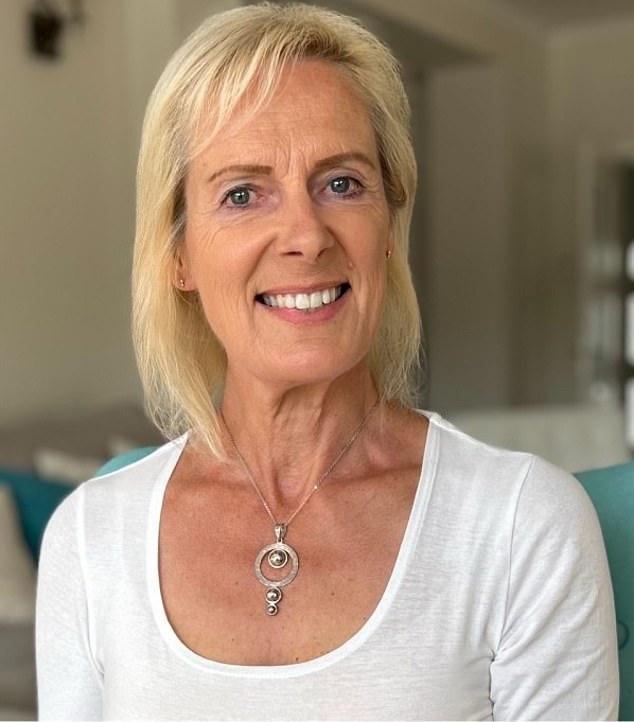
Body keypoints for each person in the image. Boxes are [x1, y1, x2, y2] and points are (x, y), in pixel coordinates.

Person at [36, 3, 618, 719]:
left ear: (388, 226)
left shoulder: (522, 524)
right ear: (178, 254)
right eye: (243, 194)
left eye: (341, 183)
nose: (306, 235)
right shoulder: (89, 538)